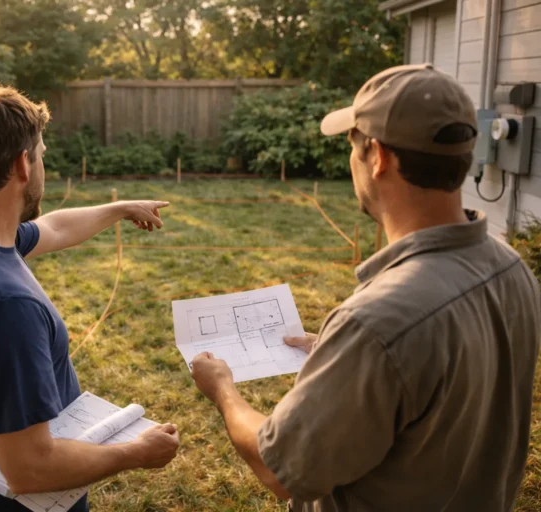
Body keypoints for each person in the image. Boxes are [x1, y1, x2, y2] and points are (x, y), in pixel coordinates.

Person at [190, 63, 541, 511]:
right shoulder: (512, 268)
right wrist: (350, 361)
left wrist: (222, 388)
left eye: (352, 144)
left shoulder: (378, 323)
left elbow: (281, 470)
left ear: (378, 156)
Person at [0, 83, 180, 512]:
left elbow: (54, 228)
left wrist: (121, 208)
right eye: (41, 154)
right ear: (22, 164)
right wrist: (137, 452)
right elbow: (29, 470)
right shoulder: (3, 306)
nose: (44, 164)